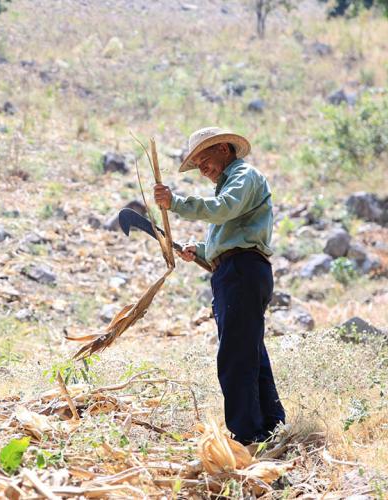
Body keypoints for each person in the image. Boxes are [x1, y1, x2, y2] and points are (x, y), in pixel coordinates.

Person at [154, 126, 285, 445]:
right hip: (238, 270)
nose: (202, 168)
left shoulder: (243, 176)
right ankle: (271, 427)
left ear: (224, 149)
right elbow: (227, 231)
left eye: (204, 159)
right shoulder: (232, 185)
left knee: (235, 357)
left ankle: (246, 438)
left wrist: (176, 203)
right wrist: (199, 250)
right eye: (196, 164)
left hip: (242, 271)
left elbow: (223, 211)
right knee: (249, 352)